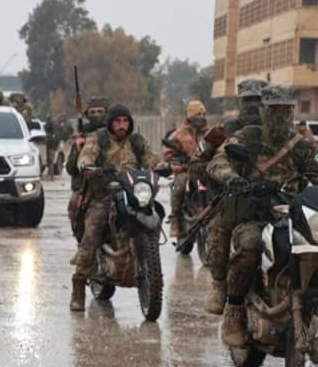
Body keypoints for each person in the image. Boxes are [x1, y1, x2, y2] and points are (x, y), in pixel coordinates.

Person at [207, 85, 318, 367]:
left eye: (286, 110)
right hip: (254, 215)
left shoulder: (302, 145)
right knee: (249, 246)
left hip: (293, 214)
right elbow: (217, 162)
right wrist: (232, 177)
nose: (281, 115)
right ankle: (234, 312)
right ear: (264, 110)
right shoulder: (246, 137)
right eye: (275, 109)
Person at [70, 103, 160, 312]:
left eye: (125, 121)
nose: (122, 125)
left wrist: (163, 166)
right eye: (117, 121)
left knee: (154, 213)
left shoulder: (136, 141)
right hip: (104, 194)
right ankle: (78, 288)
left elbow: (151, 158)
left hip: (132, 192)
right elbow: (87, 155)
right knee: (91, 234)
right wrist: (87, 165)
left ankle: (151, 264)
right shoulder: (98, 138)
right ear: (110, 123)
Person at [204, 79, 265, 315]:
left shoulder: (283, 132)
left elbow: (315, 159)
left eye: (258, 100)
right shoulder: (225, 131)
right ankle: (220, 285)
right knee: (218, 231)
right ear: (240, 101)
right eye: (248, 100)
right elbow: (203, 163)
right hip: (234, 198)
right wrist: (225, 178)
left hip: (276, 199)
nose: (253, 106)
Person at [64, 97, 109, 244]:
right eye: (93, 112)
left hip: (108, 184)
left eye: (100, 112)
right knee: (74, 205)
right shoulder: (82, 136)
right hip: (85, 187)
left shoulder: (113, 134)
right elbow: (71, 169)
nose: (96, 115)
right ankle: (82, 243)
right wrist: (78, 150)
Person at [164, 100, 210, 239]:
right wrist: (176, 161)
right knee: (181, 182)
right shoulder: (179, 134)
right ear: (190, 116)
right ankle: (175, 218)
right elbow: (168, 154)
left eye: (203, 114)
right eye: (198, 114)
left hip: (206, 168)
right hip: (186, 169)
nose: (201, 117)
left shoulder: (209, 133)